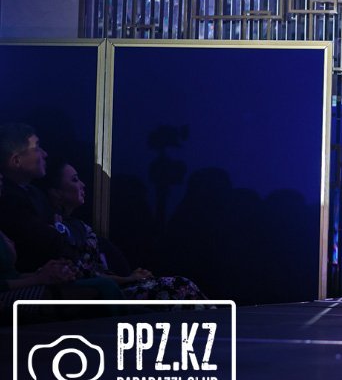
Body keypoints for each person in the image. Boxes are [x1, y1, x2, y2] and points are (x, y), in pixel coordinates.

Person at [39, 157, 206, 301]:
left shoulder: (79, 226)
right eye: (74, 180)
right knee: (179, 287)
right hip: (104, 293)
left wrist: (130, 277)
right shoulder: (54, 230)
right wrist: (128, 279)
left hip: (114, 286)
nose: (83, 185)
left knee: (182, 285)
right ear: (56, 192)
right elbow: (84, 273)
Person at [0, 123, 76, 271]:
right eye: (36, 148)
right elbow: (47, 243)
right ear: (16, 161)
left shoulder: (35, 192)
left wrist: (56, 229)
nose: (45, 154)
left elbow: (60, 226)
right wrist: (58, 230)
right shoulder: (9, 200)